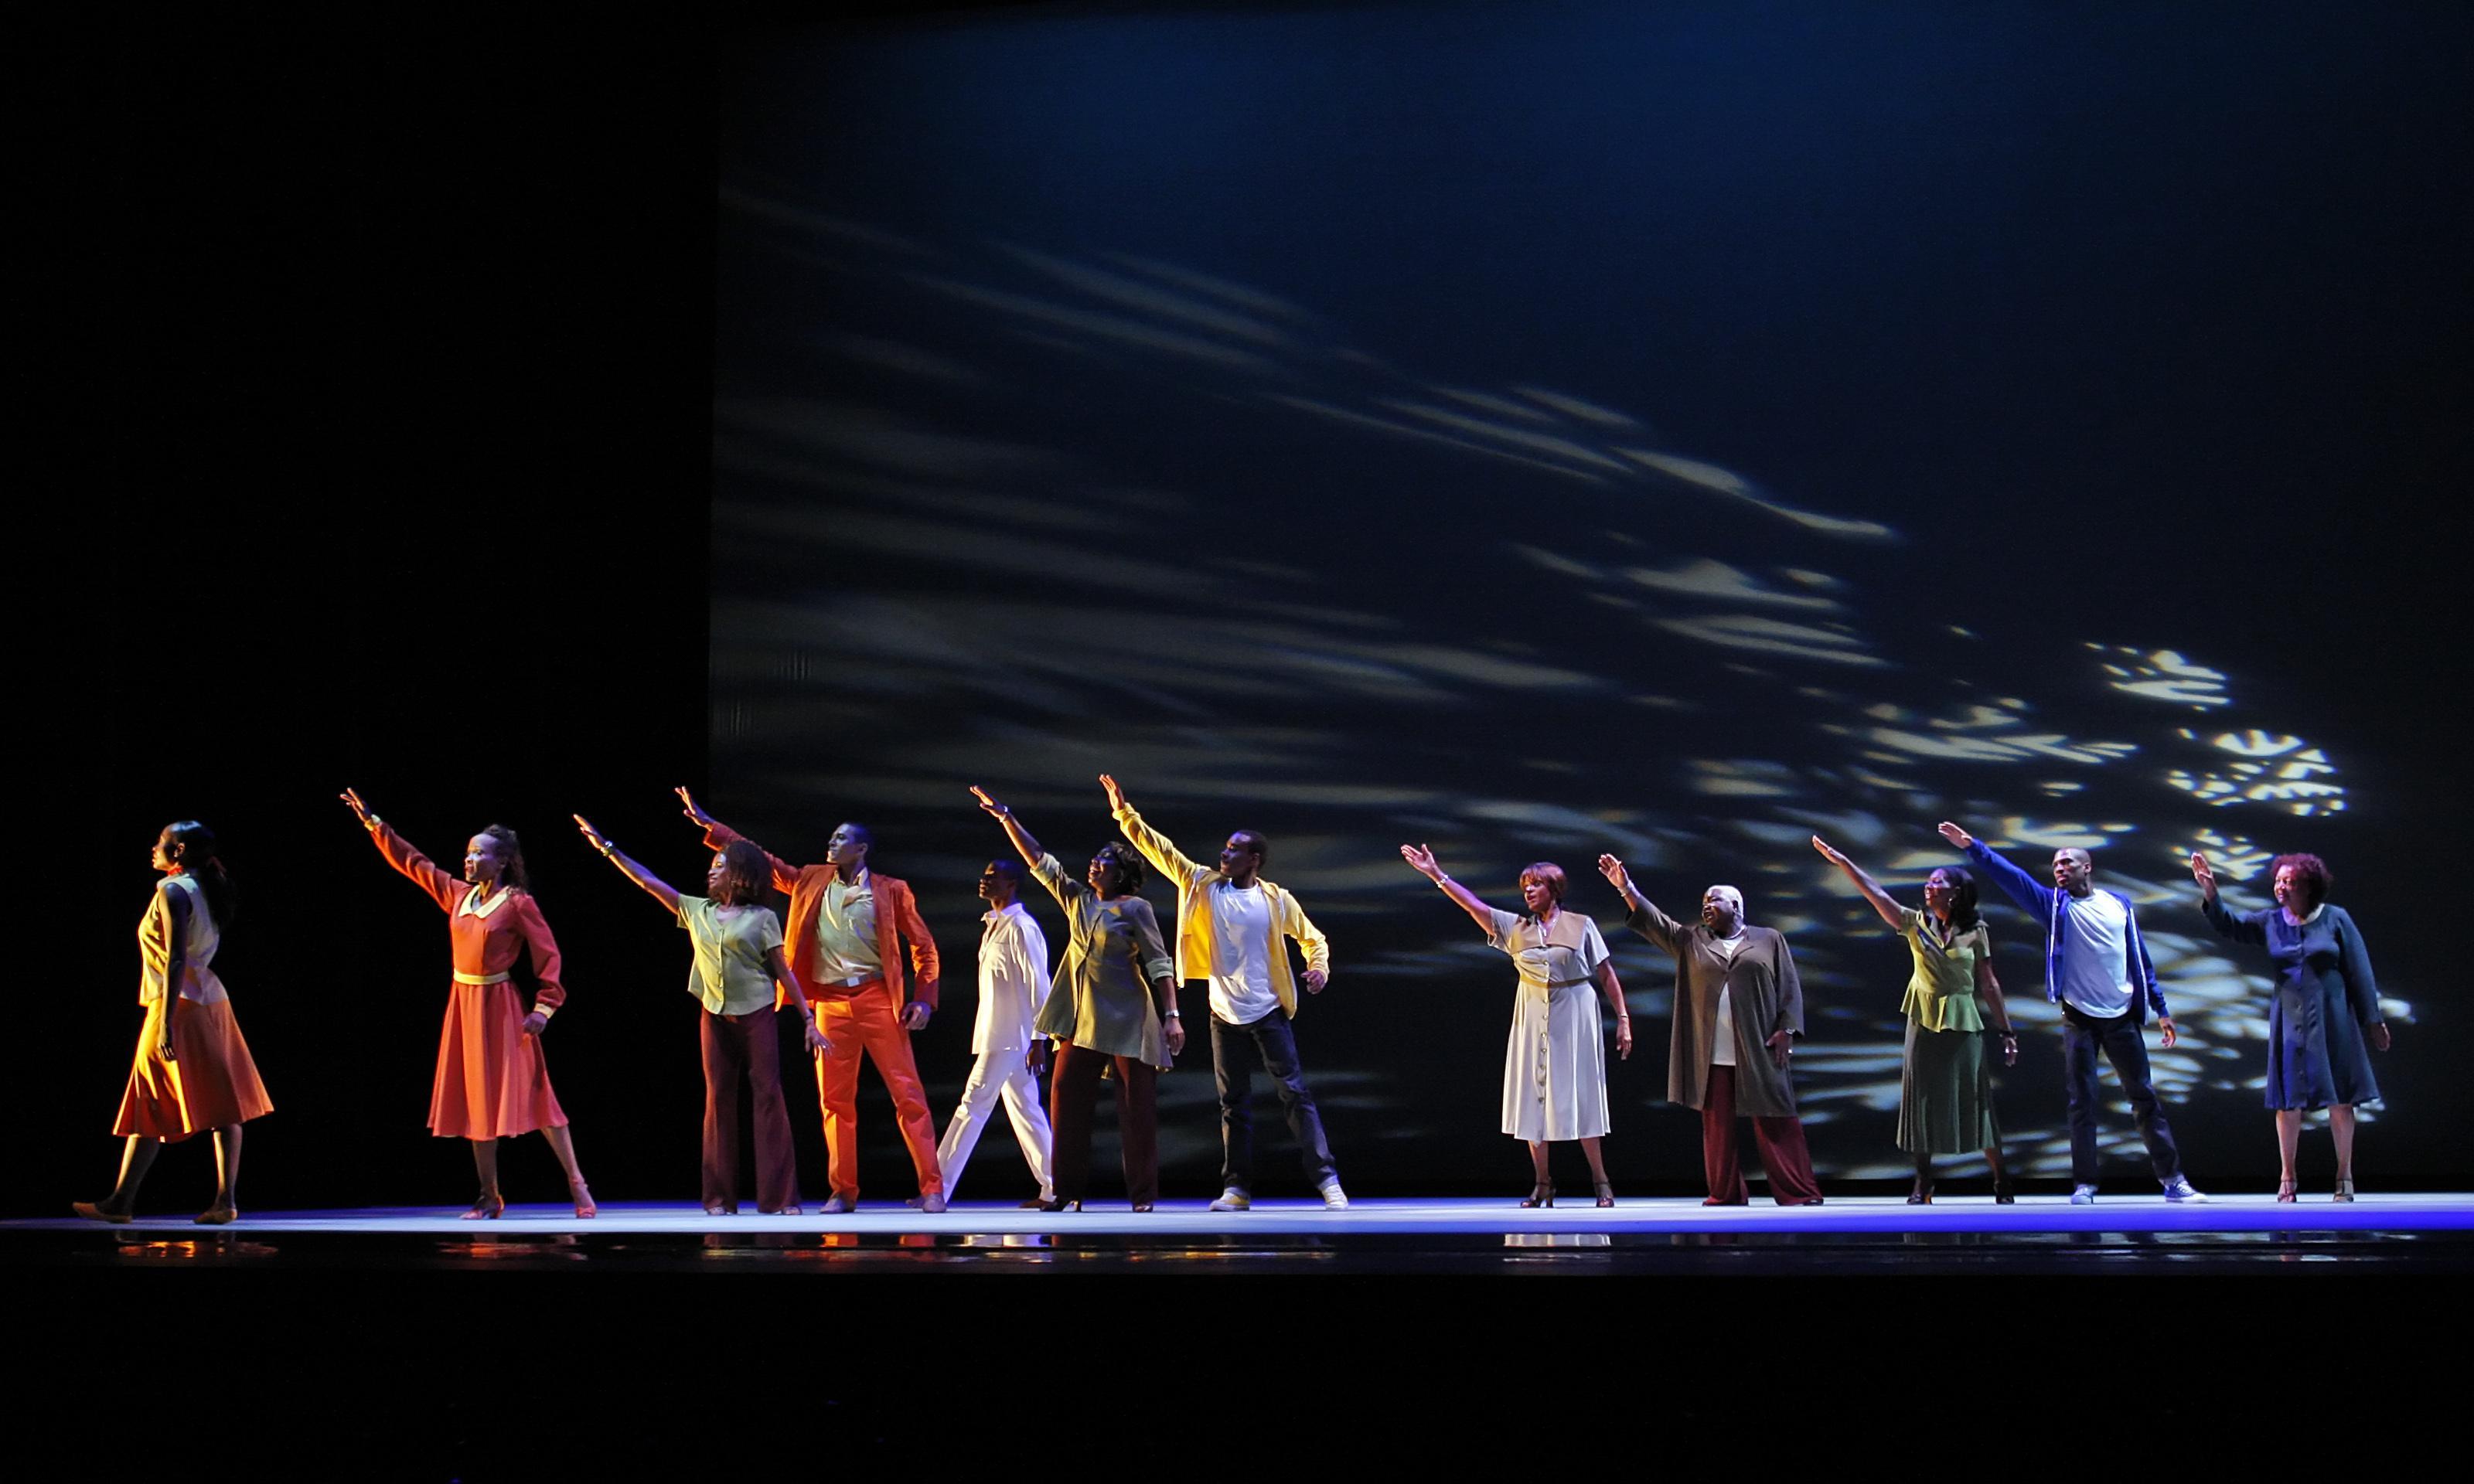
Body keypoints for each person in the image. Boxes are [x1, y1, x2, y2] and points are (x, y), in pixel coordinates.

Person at [676, 788, 945, 1213]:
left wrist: (925, 1000)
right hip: (831, 1001)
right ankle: (843, 1190)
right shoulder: (810, 879)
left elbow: (925, 948)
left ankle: (931, 1187)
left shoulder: (891, 890)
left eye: (841, 839)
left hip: (876, 997)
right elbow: (759, 858)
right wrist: (711, 827)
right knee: (835, 1102)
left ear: (862, 848)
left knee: (907, 1094)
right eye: (832, 839)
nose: (832, 844)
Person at [342, 788, 595, 1218]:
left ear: (502, 863)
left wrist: (544, 1007)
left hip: (502, 1007)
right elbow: (415, 864)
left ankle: (578, 1186)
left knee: (538, 1094)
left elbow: (549, 955)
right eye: (468, 852)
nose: (469, 859)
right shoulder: (458, 896)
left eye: (478, 854)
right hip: (463, 1008)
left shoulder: (517, 903)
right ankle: (489, 1194)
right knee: (478, 1100)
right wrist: (375, 825)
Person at [1103, 774, 1346, 1212]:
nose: (1225, 853)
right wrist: (1124, 812)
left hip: (1269, 1011)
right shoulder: (1202, 885)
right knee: (1233, 1103)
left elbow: (1314, 939)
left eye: (1234, 849)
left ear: (1254, 859)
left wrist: (1318, 968)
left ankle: (1327, 1179)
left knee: (1294, 1094)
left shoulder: (1276, 900)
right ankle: (1236, 1189)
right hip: (1223, 1014)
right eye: (1226, 847)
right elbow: (1161, 851)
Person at [574, 815, 830, 1214]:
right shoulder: (697, 911)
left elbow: (784, 972)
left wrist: (809, 1021)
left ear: (740, 876)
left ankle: (779, 1199)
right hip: (713, 1014)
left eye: (720, 865)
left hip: (757, 1012)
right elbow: (647, 882)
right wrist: (609, 849)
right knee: (718, 1100)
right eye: (713, 865)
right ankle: (718, 1199)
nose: (712, 871)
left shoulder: (761, 919)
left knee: (768, 1096)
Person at [1937, 821, 2203, 1203]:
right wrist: (1973, 847)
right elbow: (2013, 878)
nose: (2059, 869)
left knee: (2143, 1098)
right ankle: (2085, 1184)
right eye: (2055, 865)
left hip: (2122, 1015)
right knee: (2082, 1102)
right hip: (2079, 1017)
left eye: (2066, 863)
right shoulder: (2054, 906)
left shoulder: (2119, 905)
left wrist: (2160, 1008)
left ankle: (2173, 1181)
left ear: (2086, 867)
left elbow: (2139, 960)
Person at [973, 786, 1181, 1212]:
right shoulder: (1079, 901)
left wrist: (1172, 1015)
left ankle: (1143, 1197)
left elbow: (1160, 964)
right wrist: (1006, 817)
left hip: (1128, 1018)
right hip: (1082, 1018)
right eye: (1095, 859)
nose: (1095, 864)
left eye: (1104, 861)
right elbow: (1040, 861)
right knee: (1065, 1097)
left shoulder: (1136, 909)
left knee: (1135, 1109)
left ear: (1120, 873)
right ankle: (1065, 1194)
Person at [1399, 846, 1631, 1207]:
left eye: (1535, 885)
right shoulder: (1516, 928)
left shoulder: (1581, 925)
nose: (1528, 891)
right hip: (1532, 1013)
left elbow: (1606, 972)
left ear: (1554, 889)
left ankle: (1601, 1183)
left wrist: (1624, 1020)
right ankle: (1543, 1184)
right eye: (1525, 886)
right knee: (1532, 1097)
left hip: (1576, 1012)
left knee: (1582, 1094)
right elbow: (1473, 905)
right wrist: (1435, 874)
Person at [76, 822, 272, 1225]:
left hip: (178, 1004)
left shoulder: (173, 890)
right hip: (210, 1001)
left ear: (178, 850)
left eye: (160, 842)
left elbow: (175, 958)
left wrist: (164, 1023)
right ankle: (222, 1201)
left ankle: (122, 1202)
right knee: (222, 1101)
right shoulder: (207, 887)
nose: (153, 848)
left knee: (149, 1096)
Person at [1597, 856, 1821, 1207]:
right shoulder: (1693, 940)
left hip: (1759, 1046)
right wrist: (1626, 888)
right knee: (1717, 1126)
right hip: (1712, 1049)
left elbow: (1789, 987)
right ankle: (1725, 1192)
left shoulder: (1768, 939)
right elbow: (1658, 924)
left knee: (1777, 1118)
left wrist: (1788, 1029)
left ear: (1736, 906)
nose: (1706, 906)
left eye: (1713, 900)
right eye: (1704, 901)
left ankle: (1799, 1192)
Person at [1811, 836, 2017, 1203]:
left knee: (1974, 1099)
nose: (1929, 885)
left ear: (1955, 893)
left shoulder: (1976, 931)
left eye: (1937, 881)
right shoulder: (1914, 923)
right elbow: (1877, 894)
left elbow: (1989, 982)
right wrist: (1844, 861)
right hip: (1922, 1020)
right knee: (1920, 1100)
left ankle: (2001, 1177)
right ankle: (1923, 1181)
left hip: (1962, 1022)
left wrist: (2006, 1031)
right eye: (1928, 881)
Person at [2191, 850, 2391, 1201]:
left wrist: (2372, 1020)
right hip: (2289, 1018)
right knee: (2287, 1099)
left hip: (2333, 1016)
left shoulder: (2335, 919)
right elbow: (2231, 925)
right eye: (2279, 881)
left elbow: (2360, 970)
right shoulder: (2272, 921)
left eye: (2290, 882)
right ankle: (2288, 1178)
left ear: (2309, 886)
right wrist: (2211, 892)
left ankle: (2344, 1177)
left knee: (2341, 1098)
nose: (2281, 887)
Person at [930, 859, 1057, 1207]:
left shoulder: (1022, 927)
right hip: (1001, 1034)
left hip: (1010, 1037)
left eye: (992, 877)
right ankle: (1054, 1187)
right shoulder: (994, 926)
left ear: (1011, 884)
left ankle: (935, 1187)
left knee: (972, 1105)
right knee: (1027, 1110)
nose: (984, 881)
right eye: (984, 875)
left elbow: (1038, 984)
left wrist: (1039, 1039)